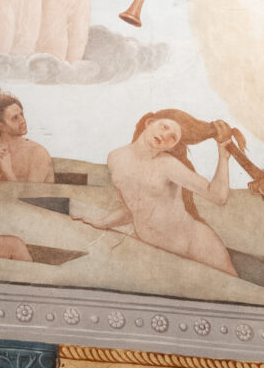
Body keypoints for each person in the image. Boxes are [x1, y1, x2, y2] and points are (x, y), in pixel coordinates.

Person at [72, 110, 238, 274]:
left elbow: (218, 197)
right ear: (149, 122)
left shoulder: (168, 165)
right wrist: (103, 222)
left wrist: (223, 158)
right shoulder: (115, 157)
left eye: (173, 137)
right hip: (155, 249)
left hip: (196, 245)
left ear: (173, 145)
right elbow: (134, 208)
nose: (165, 135)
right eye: (164, 126)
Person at [0, 90, 55, 182]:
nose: (22, 120)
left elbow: (32, 194)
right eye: (15, 118)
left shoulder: (38, 152)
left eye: (22, 114)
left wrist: (8, 172)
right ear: (1, 127)